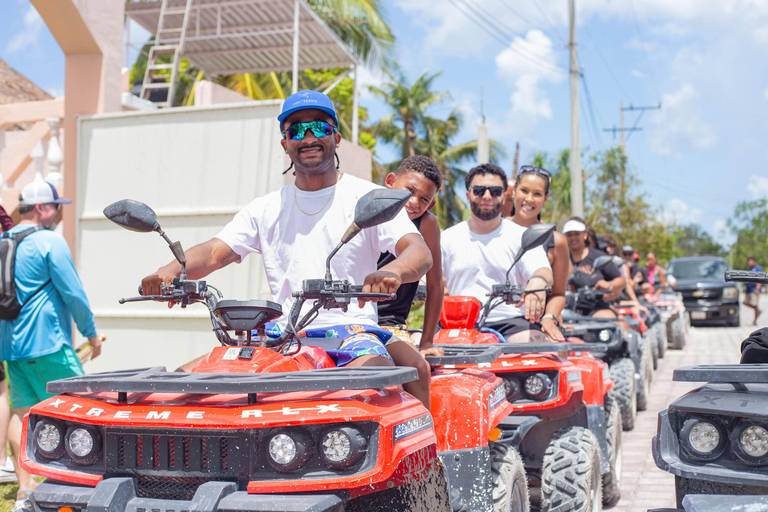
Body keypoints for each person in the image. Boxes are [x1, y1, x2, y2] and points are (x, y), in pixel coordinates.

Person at [141, 91, 432, 390]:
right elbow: (215, 251)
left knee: (374, 387)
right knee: (178, 386)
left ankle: (425, 438)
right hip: (279, 335)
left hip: (353, 332)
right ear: (285, 144)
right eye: (296, 130)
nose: (308, 138)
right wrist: (170, 271)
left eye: (319, 127)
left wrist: (393, 272)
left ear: (337, 136)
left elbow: (418, 251)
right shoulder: (265, 208)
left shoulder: (368, 198)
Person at [1, 180, 103, 502]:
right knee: (84, 409)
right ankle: (82, 487)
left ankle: (25, 489)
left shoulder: (4, 239)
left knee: (21, 413)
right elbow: (73, 292)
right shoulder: (49, 242)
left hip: (12, 348)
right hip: (48, 345)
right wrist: (90, 333)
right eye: (56, 206)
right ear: (42, 208)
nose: (59, 213)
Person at [441, 163, 553, 343]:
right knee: (414, 344)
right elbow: (424, 277)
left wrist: (537, 283)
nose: (487, 196)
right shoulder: (447, 238)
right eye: (479, 190)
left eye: (495, 191)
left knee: (542, 348)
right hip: (456, 323)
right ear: (468, 196)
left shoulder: (522, 236)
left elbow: (542, 270)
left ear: (504, 195)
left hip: (510, 322)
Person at [376, 155, 444, 407]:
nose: (413, 202)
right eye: (409, 190)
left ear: (432, 204)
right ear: (391, 181)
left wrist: (427, 340)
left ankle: (425, 440)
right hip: (352, 317)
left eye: (424, 199)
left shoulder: (426, 224)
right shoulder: (366, 210)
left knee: (417, 367)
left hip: (388, 324)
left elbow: (435, 283)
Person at [507, 165, 568, 342]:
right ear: (513, 192)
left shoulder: (556, 241)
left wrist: (549, 318)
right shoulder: (495, 231)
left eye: (537, 194)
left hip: (536, 322)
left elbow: (558, 294)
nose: (529, 199)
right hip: (494, 321)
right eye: (524, 191)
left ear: (546, 198)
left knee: (553, 357)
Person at [562, 217, 625, 318]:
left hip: (595, 308)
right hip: (566, 310)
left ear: (585, 234)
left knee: (607, 319)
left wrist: (609, 285)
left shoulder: (598, 256)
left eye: (577, 234)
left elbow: (621, 280)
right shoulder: (561, 258)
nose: (573, 238)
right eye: (569, 235)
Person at [743, 257, 763, 325]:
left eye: (751, 261)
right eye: (749, 261)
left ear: (754, 261)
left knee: (755, 304)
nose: (749, 263)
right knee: (744, 302)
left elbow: (760, 279)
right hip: (748, 290)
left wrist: (757, 288)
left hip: (754, 290)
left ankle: (755, 321)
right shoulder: (750, 269)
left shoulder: (757, 268)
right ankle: (757, 310)